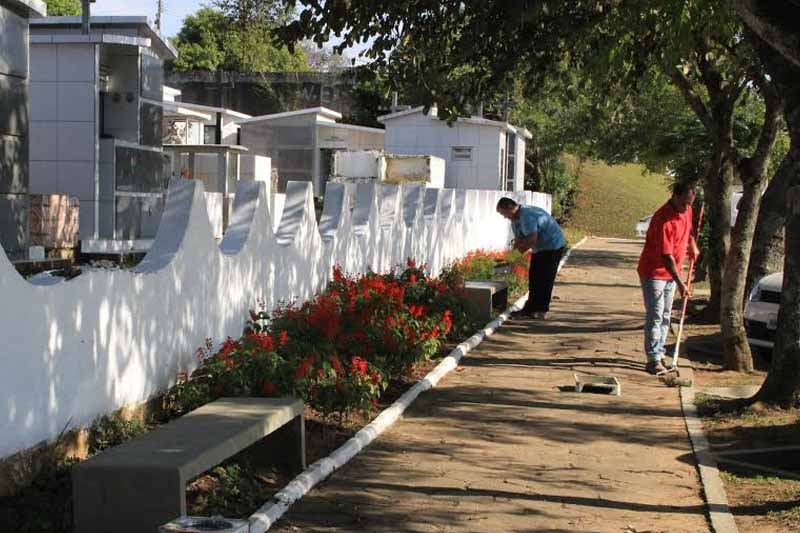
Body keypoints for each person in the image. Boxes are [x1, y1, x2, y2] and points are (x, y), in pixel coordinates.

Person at [637, 180, 700, 375]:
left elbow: (689, 228)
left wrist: (692, 244)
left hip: (673, 273)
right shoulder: (662, 219)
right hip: (654, 272)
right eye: (684, 203)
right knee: (655, 315)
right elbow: (666, 257)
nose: (686, 208)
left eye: (689, 203)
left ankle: (660, 351)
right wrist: (681, 283)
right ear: (675, 196)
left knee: (665, 315)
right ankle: (653, 359)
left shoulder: (687, 209)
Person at [496, 197, 567, 319]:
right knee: (534, 277)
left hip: (553, 246)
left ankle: (540, 310)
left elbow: (531, 240)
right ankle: (530, 309)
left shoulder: (526, 216)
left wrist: (514, 257)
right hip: (540, 248)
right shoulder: (515, 219)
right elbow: (518, 241)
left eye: (504, 213)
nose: (504, 217)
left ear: (510, 208)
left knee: (545, 278)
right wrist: (512, 260)